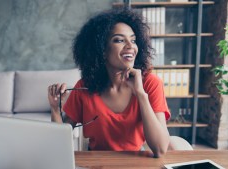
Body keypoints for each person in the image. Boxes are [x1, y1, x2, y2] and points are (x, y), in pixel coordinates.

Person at [48, 9, 170, 157]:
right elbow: (59, 142)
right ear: (102, 50)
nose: (130, 46)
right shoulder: (84, 86)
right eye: (119, 40)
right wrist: (55, 109)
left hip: (135, 161)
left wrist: (140, 94)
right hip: (96, 163)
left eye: (133, 40)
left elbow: (160, 149)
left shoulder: (151, 83)